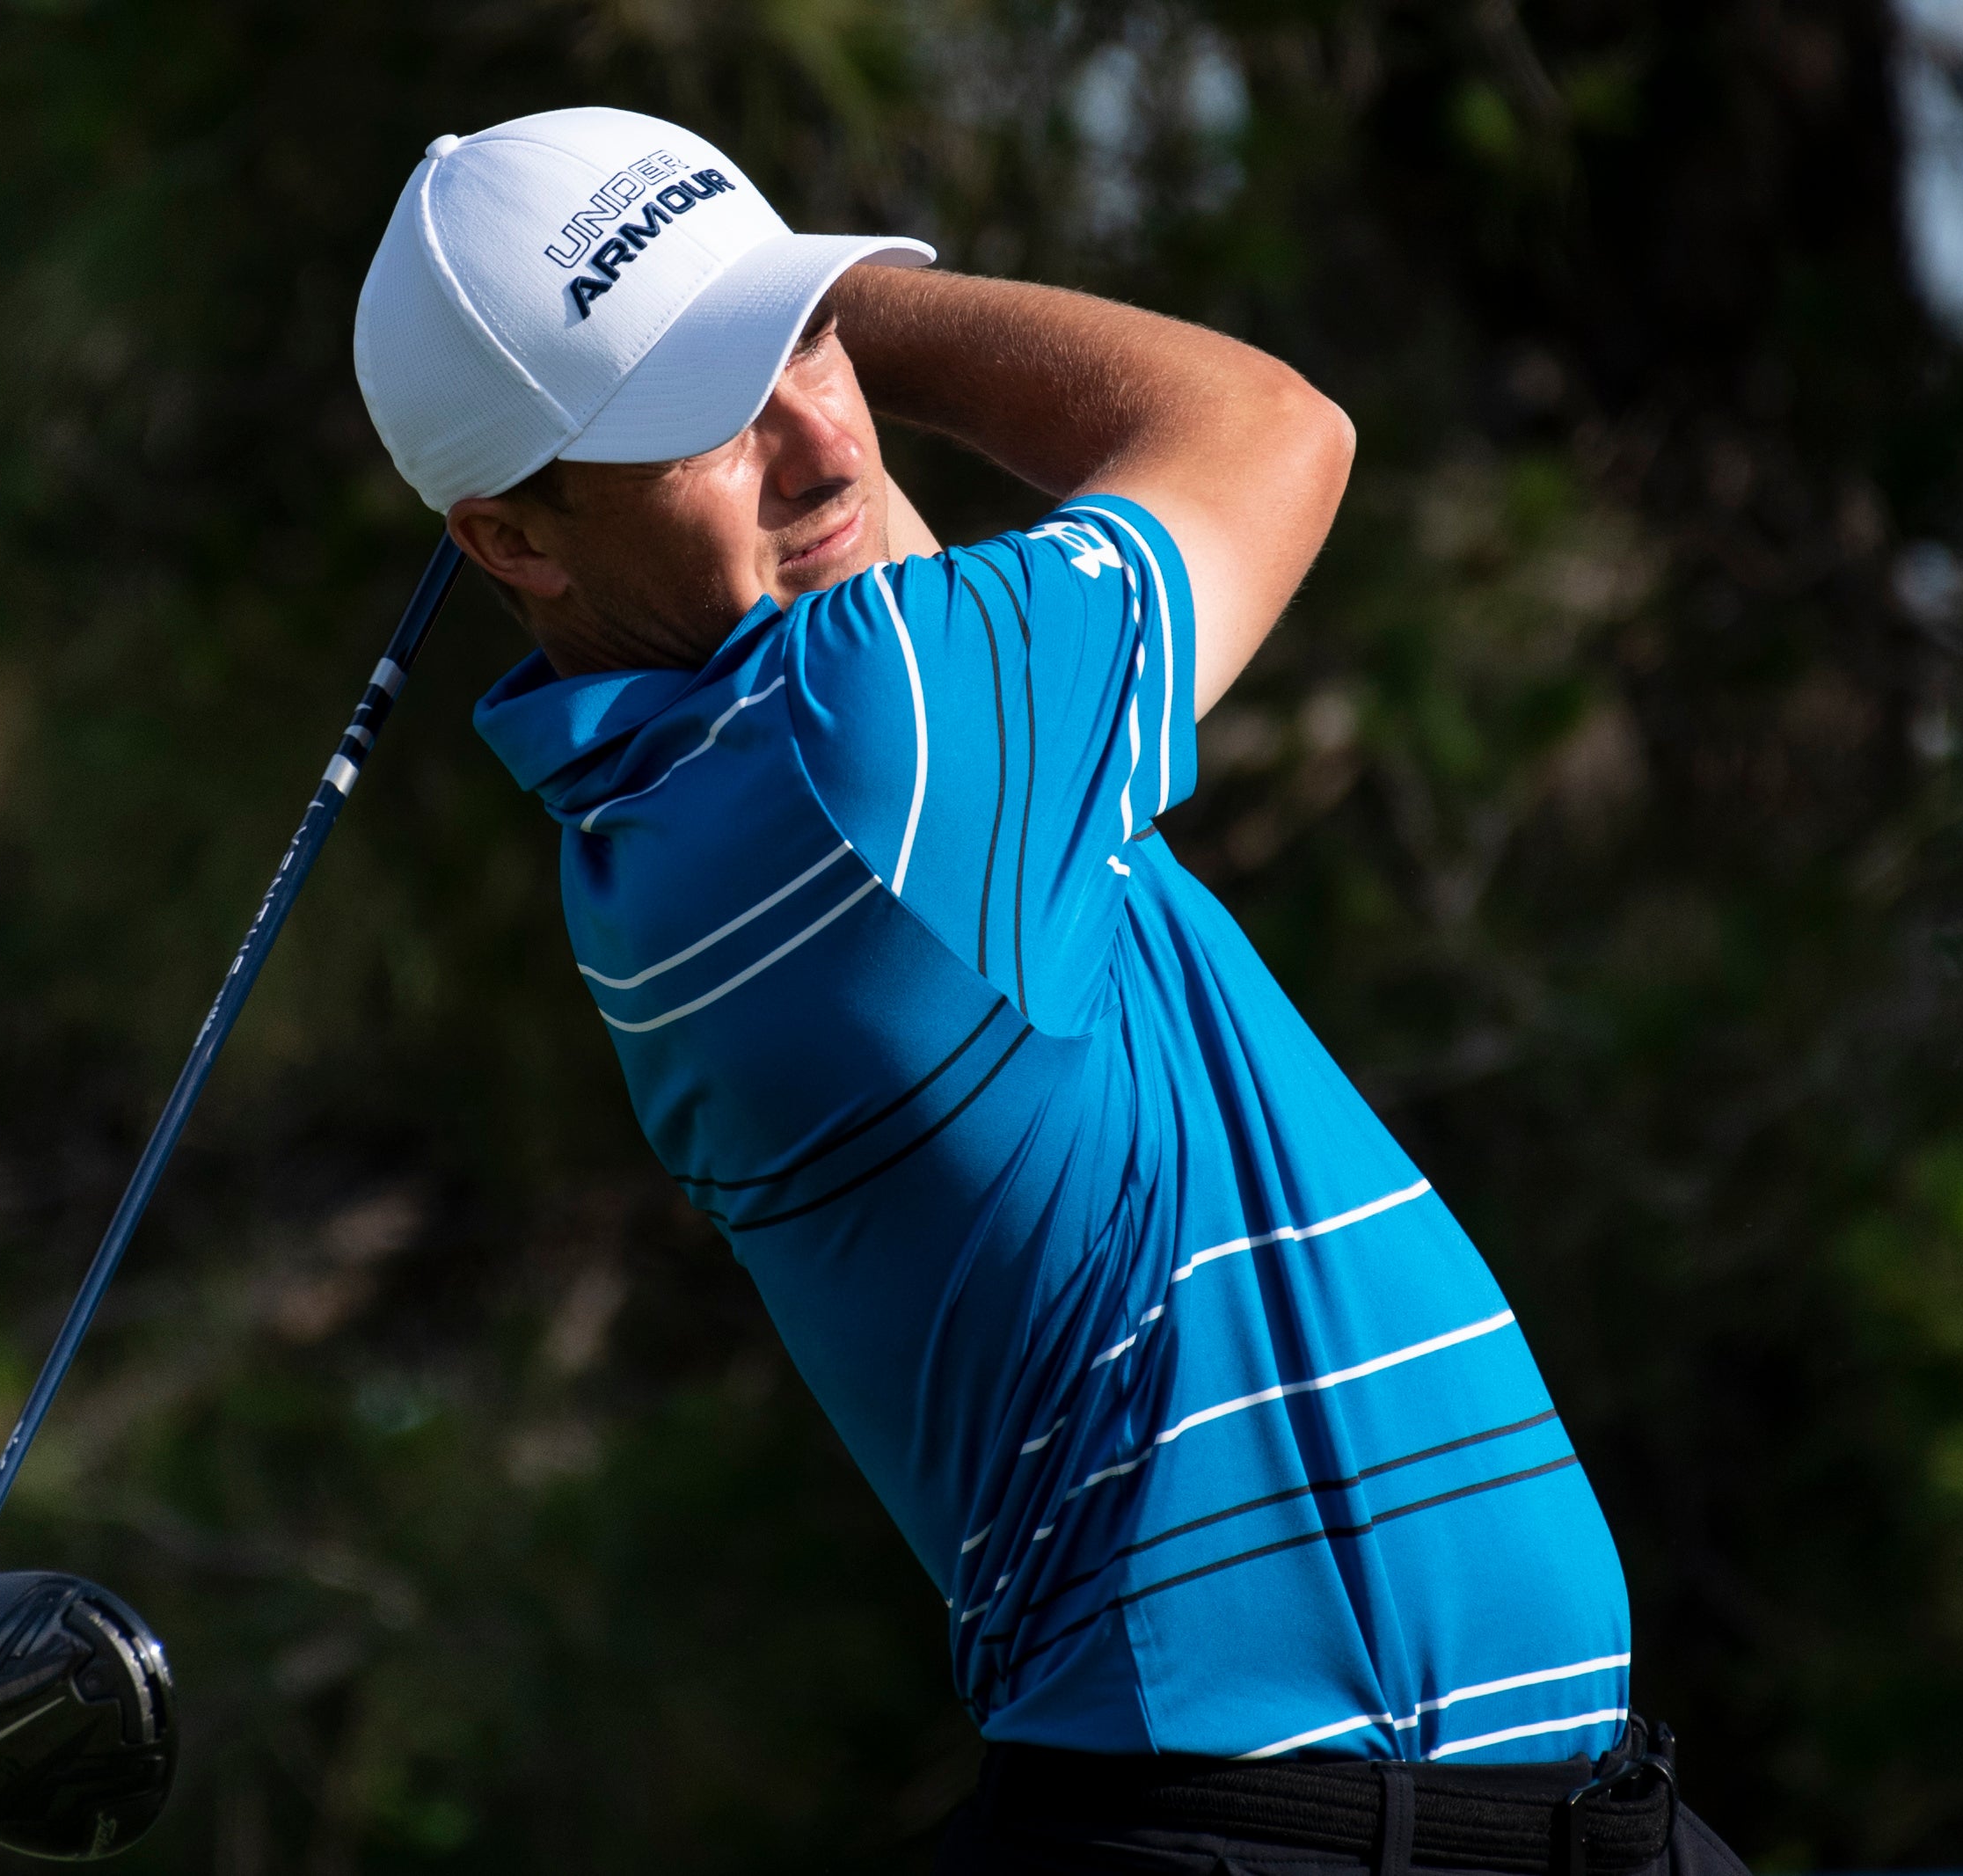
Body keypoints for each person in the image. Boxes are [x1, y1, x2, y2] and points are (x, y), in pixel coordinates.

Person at [354, 106, 1743, 1876]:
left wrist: (744, 317)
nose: (810, 430)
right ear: (512, 543)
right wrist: (853, 299)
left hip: (1502, 1823)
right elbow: (1268, 429)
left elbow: (853, 534)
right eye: (704, 413)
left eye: (806, 351)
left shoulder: (728, 782)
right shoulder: (860, 743)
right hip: (1262, 1835)